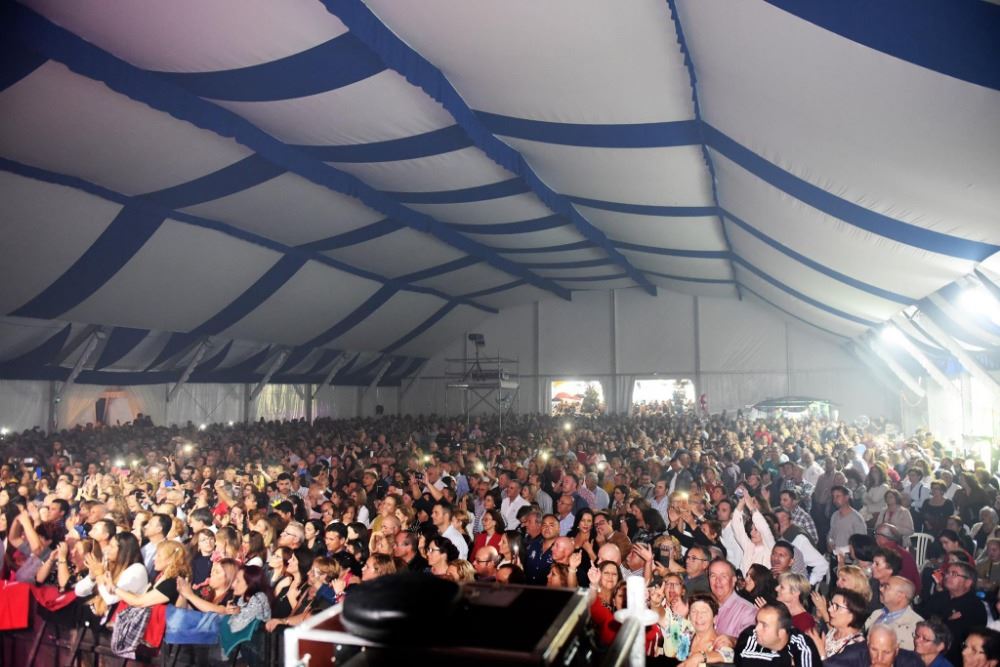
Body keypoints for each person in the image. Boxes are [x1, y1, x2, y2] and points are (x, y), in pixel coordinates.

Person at [917, 560, 986, 665]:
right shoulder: (939, 597)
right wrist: (945, 619)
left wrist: (941, 621)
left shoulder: (975, 607)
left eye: (954, 574)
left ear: (968, 582)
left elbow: (958, 637)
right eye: (947, 573)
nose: (947, 576)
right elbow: (921, 616)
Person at [733, 602, 822, 666]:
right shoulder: (750, 634)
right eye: (757, 622)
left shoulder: (801, 642)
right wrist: (786, 661)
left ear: (781, 633)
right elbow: (742, 660)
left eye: (764, 625)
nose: (756, 628)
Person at [825, 624, 923, 667]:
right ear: (867, 644)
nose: (879, 658)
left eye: (886, 652)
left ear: (896, 649)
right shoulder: (855, 653)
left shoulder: (911, 662)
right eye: (874, 650)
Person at [677, 593, 735, 666]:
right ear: (689, 616)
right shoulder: (687, 635)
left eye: (704, 612)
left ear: (715, 618)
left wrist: (699, 657)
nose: (698, 616)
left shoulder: (720, 645)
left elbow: (731, 655)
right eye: (694, 611)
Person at [808, 588, 868, 658]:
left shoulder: (856, 645)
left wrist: (821, 654)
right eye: (831, 604)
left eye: (836, 606)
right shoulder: (834, 631)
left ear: (852, 614)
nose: (829, 609)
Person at [866, 576, 923, 651]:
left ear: (900, 596)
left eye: (886, 587)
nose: (880, 589)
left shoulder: (915, 626)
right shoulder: (876, 614)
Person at [710, 558, 758, 641]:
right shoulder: (703, 605)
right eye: (713, 576)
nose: (718, 581)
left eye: (723, 576)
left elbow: (747, 645)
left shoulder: (747, 611)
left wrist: (732, 641)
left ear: (733, 580)